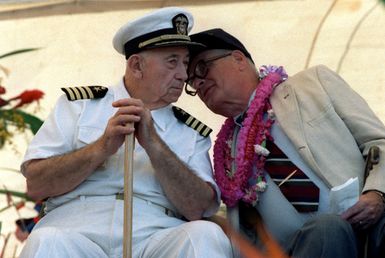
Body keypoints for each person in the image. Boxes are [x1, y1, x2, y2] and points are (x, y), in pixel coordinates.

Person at [19, 8, 234, 258]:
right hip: (75, 230)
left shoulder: (190, 131)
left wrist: (154, 143)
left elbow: (200, 208)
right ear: (136, 65)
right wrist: (102, 147)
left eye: (185, 63)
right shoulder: (79, 106)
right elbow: (36, 185)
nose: (183, 75)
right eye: (172, 61)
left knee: (205, 236)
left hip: (155, 235)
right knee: (46, 241)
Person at [184, 28, 385, 258]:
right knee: (327, 229)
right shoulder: (225, 155)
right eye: (191, 81)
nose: (198, 83)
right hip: (303, 248)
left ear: (238, 59)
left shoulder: (312, 85)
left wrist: (377, 194)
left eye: (202, 68)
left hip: (372, 223)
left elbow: (379, 141)